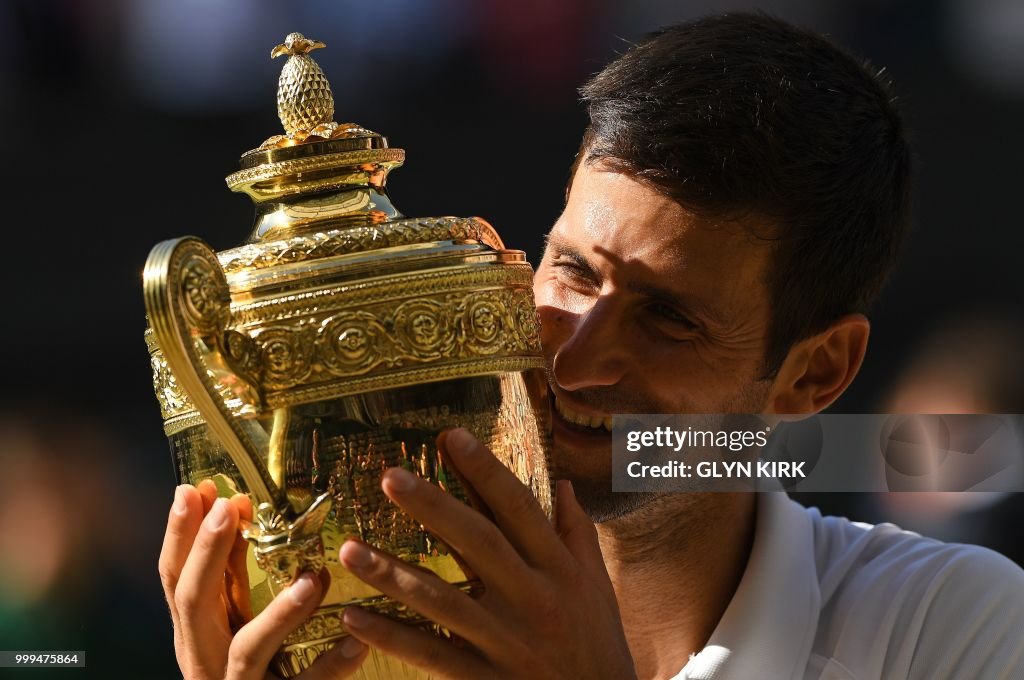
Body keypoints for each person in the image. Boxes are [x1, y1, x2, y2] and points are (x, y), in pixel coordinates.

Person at [158, 13, 1024, 680]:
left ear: (815, 373)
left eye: (669, 320)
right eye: (571, 272)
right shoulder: (364, 627)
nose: (574, 361)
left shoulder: (950, 628)